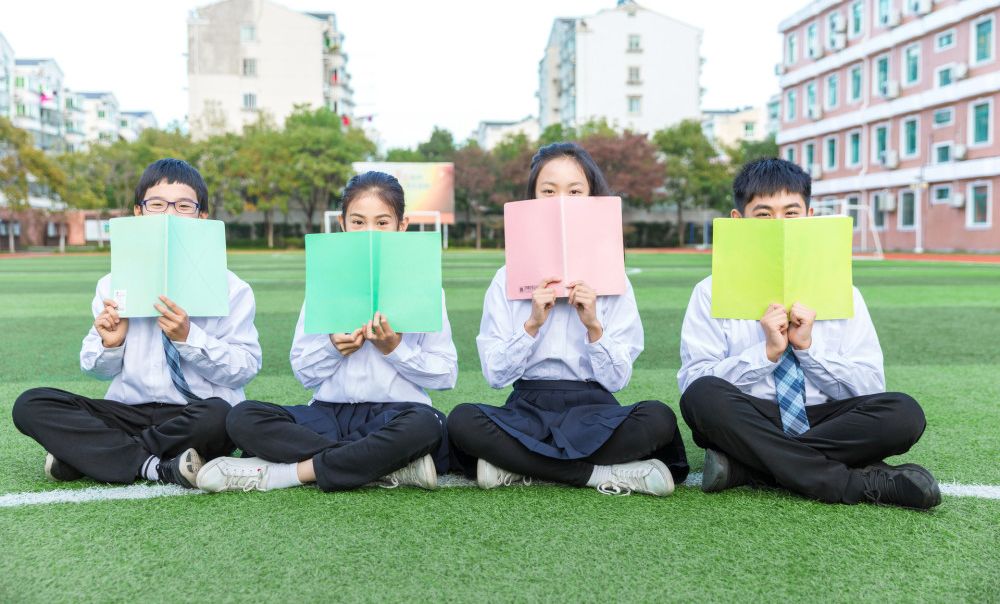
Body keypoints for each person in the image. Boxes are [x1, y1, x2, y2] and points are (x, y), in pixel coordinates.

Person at [678, 157, 940, 509]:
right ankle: (852, 483)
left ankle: (751, 469)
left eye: (790, 213)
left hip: (827, 419)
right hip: (751, 417)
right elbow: (693, 383)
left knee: (904, 413)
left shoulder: (843, 291)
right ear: (739, 222)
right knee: (702, 397)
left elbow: (870, 385)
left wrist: (809, 350)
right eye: (764, 214)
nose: (779, 224)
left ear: (810, 217)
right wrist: (766, 355)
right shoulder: (709, 291)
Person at [447, 142, 688, 497]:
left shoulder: (613, 279)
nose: (561, 201)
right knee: (462, 421)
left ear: (592, 200)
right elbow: (496, 377)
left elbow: (618, 380)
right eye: (549, 191)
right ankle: (595, 474)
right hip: (527, 409)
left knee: (659, 419)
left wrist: (594, 326)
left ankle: (520, 466)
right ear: (532, 200)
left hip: (594, 410)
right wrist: (531, 325)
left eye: (575, 191)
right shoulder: (507, 276)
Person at [197, 171, 457, 493]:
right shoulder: (325, 283)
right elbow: (304, 373)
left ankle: (288, 473)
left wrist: (395, 349)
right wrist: (332, 348)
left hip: (397, 414)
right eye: (358, 222)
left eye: (382, 222)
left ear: (401, 226)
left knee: (428, 425)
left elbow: (446, 375)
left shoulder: (425, 288)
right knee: (242, 417)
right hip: (327, 415)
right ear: (343, 225)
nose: (368, 233)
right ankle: (383, 463)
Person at [12, 158, 262, 488]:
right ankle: (157, 466)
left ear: (203, 216)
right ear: (138, 212)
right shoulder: (112, 283)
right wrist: (110, 344)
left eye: (184, 206)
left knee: (222, 416)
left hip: (194, 414)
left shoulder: (232, 287)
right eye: (157, 204)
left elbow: (245, 368)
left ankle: (91, 455)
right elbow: (96, 370)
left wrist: (189, 337)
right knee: (31, 404)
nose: (169, 214)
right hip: (127, 412)